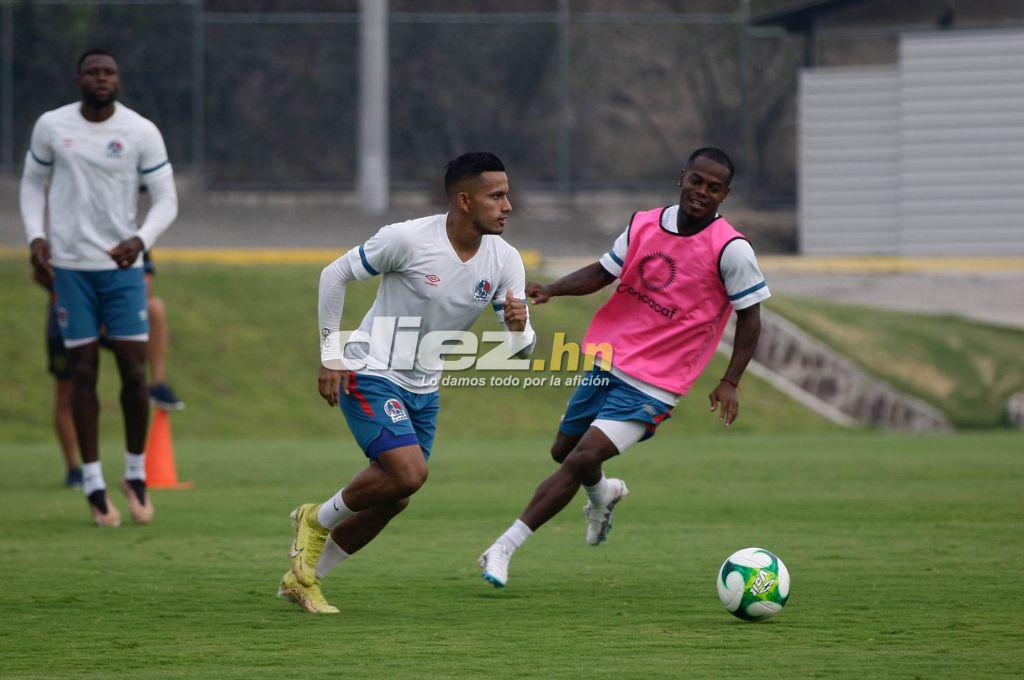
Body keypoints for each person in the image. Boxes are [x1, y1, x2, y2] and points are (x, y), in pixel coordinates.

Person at [478, 147, 770, 588]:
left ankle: (503, 547)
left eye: (714, 188)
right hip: (610, 359)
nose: (702, 193)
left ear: (724, 194)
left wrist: (730, 381)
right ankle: (604, 494)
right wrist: (551, 290)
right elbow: (602, 272)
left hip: (657, 383)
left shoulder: (731, 249)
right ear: (682, 178)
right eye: (697, 181)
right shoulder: (644, 223)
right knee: (564, 452)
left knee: (581, 458)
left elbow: (750, 316)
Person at [281, 152, 536, 613]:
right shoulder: (407, 239)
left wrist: (519, 326)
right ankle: (314, 519)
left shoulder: (505, 260)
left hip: (424, 387)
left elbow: (523, 351)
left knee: (396, 495)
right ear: (464, 200)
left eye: (507, 194)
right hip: (371, 369)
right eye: (496, 195)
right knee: (409, 473)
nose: (508, 205)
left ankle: (304, 578)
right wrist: (331, 355)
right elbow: (334, 274)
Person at [20, 48, 178, 527]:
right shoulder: (52, 126)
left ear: (119, 79)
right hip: (70, 268)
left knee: (134, 371)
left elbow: (167, 200)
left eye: (109, 72)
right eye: (93, 72)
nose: (102, 78)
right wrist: (36, 237)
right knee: (82, 373)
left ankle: (134, 475)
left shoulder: (139, 131)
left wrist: (140, 240)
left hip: (122, 268)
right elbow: (31, 185)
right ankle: (92, 481)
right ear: (79, 80)